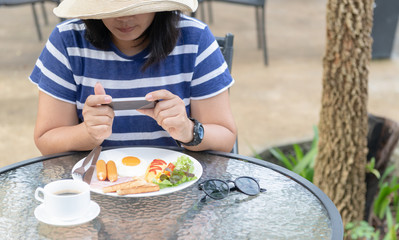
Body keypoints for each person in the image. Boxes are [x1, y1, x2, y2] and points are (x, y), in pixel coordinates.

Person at [30, 0, 237, 155]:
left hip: (176, 185)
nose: (123, 18)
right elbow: (46, 140)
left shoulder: (195, 38)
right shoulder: (68, 40)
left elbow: (225, 137)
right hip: (94, 188)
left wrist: (187, 130)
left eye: (135, 6)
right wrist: (87, 133)